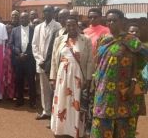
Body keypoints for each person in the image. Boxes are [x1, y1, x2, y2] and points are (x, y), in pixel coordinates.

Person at [91, 9, 148, 138]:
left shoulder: (131, 40)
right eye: (108, 20)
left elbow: (145, 60)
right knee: (101, 126)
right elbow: (99, 63)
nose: (111, 23)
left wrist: (136, 81)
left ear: (122, 21)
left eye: (114, 20)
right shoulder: (103, 40)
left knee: (123, 128)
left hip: (123, 93)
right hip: (103, 91)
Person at [49, 16, 93, 137]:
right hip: (62, 75)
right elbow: (54, 59)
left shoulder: (85, 40)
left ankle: (75, 129)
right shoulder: (59, 40)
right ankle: (61, 128)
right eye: (69, 25)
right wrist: (52, 78)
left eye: (74, 25)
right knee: (62, 101)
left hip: (78, 76)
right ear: (65, 26)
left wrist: (88, 78)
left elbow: (90, 61)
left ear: (77, 26)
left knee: (76, 102)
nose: (71, 27)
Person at [32, 5, 62, 120]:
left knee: (55, 88)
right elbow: (34, 45)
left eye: (49, 11)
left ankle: (56, 113)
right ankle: (46, 111)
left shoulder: (58, 26)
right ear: (42, 13)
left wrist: (49, 61)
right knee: (44, 88)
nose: (47, 13)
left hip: (54, 63)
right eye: (45, 11)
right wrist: (40, 60)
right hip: (41, 63)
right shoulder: (38, 27)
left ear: (53, 13)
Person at [10, 12, 36, 107]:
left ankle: (32, 101)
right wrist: (19, 53)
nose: (23, 19)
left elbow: (36, 44)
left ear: (29, 19)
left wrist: (27, 54)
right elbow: (11, 44)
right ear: (19, 19)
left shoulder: (34, 30)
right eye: (22, 18)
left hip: (30, 60)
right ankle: (20, 100)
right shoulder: (14, 30)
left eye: (25, 18)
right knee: (19, 81)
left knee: (31, 81)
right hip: (18, 60)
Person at [2, 23, 15, 99]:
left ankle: (11, 95)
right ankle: (5, 94)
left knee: (12, 79)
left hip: (12, 62)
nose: (8, 30)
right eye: (7, 28)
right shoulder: (3, 39)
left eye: (10, 28)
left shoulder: (14, 38)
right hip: (4, 63)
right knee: (4, 78)